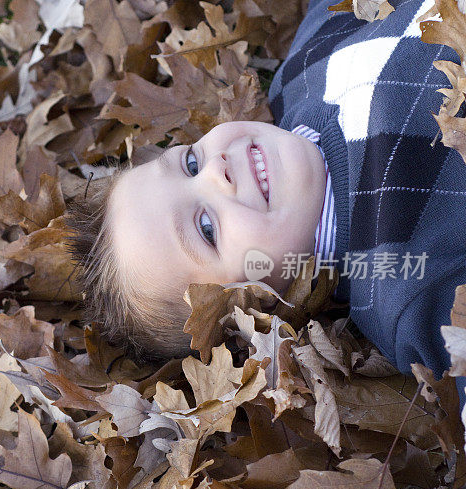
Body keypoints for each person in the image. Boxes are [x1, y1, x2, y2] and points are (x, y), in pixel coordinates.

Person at [65, 0, 466, 397]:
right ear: (258, 314)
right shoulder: (401, 288)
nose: (214, 169)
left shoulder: (294, 80)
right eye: (206, 228)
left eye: (189, 162)